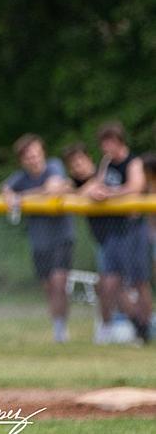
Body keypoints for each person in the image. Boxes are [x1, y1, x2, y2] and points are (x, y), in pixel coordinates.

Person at [0, 134, 77, 343]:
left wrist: (22, 197)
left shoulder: (53, 166)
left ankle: (62, 328)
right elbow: (5, 189)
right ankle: (57, 325)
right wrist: (14, 196)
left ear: (42, 153)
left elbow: (53, 189)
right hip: (39, 240)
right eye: (28, 156)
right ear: (22, 159)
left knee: (59, 282)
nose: (33, 159)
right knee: (49, 286)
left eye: (36, 154)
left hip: (61, 236)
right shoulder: (21, 177)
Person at [81, 122, 151, 344]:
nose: (107, 148)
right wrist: (95, 191)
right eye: (104, 143)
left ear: (120, 141)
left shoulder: (134, 162)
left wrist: (110, 194)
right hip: (113, 230)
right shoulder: (107, 162)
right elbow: (95, 185)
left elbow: (136, 186)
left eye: (110, 142)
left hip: (133, 228)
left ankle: (144, 329)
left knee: (139, 281)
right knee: (110, 281)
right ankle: (128, 324)